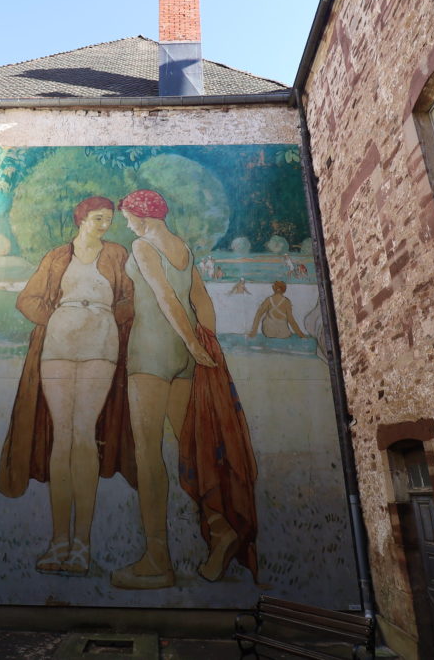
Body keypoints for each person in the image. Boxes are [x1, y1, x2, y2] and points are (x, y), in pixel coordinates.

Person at [111, 189, 245, 589]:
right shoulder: (182, 248)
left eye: (128, 217)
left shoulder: (142, 245)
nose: (127, 225)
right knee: (191, 449)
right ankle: (220, 530)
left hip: (152, 354)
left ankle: (157, 562)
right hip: (186, 359)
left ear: (142, 217)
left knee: (148, 456)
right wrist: (205, 344)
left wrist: (192, 342)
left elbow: (165, 296)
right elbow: (200, 299)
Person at [0, 196, 134, 577]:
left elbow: (130, 298)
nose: (104, 225)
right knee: (63, 437)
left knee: (84, 434)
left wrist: (104, 317)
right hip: (58, 344)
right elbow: (27, 299)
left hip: (100, 345)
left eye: (108, 219)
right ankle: (59, 540)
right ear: (81, 219)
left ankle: (81, 545)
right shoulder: (58, 256)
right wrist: (57, 317)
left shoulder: (117, 254)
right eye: (98, 218)